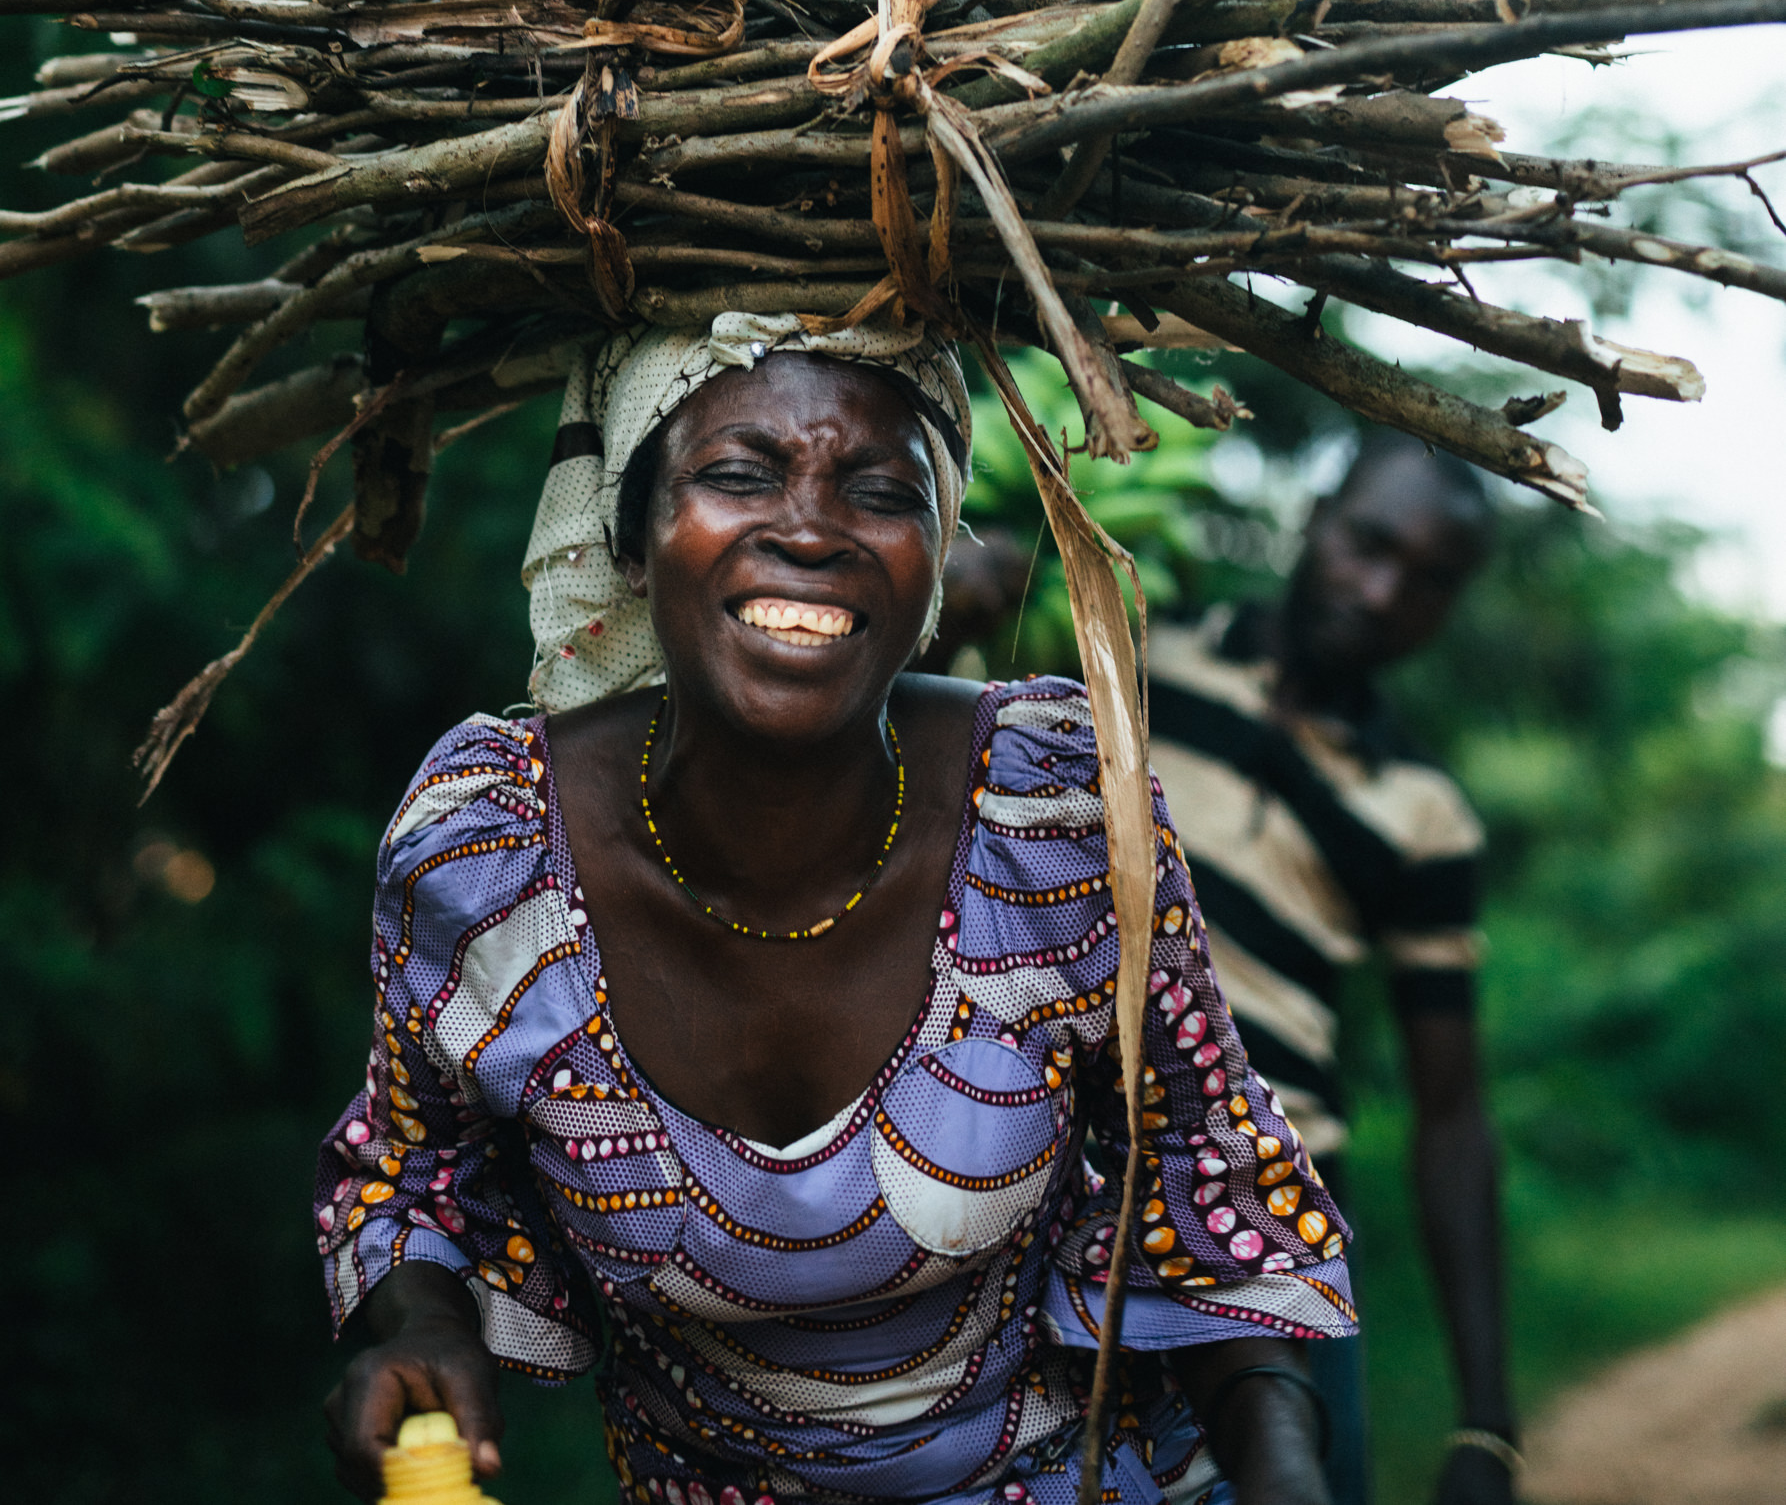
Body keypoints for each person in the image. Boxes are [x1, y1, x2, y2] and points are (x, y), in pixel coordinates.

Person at [317, 313, 1358, 1505]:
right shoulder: (492, 848)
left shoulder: (1055, 812)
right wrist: (420, 1327)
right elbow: (416, 1169)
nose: (809, 528)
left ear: (933, 553)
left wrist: (1285, 1471)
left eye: (879, 491)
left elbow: (1199, 1191)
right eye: (738, 474)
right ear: (635, 531)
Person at [1144, 434, 1512, 1505]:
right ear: (1317, 516)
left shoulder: (1422, 813)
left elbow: (1451, 1112)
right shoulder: (1144, 646)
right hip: (1060, 1160)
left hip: (1279, 1211)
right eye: (1368, 543)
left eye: (1427, 580)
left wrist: (1487, 1421)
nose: (1381, 589)